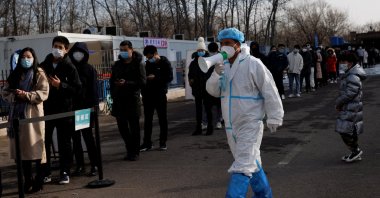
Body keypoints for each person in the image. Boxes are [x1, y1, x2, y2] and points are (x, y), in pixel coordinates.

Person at [206, 27, 284, 198]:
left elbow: (269, 89)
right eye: (222, 43)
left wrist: (275, 115)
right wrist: (215, 75)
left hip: (250, 123)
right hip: (230, 125)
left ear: (237, 45)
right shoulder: (223, 66)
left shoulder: (253, 63)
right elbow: (214, 92)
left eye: (227, 43)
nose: (223, 46)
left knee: (242, 165)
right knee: (251, 163)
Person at [2, 47, 49, 193]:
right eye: (23, 57)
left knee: (37, 150)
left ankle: (39, 180)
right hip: (16, 116)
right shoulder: (15, 73)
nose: (26, 59)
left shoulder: (38, 73)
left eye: (29, 56)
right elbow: (4, 91)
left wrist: (27, 95)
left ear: (34, 58)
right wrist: (14, 95)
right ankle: (27, 180)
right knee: (22, 153)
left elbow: (43, 93)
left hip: (33, 115)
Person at [40, 36, 82, 184]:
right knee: (44, 142)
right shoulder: (44, 65)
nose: (57, 49)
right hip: (47, 110)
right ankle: (45, 171)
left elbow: (77, 89)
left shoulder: (70, 67)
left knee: (64, 142)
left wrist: (61, 85)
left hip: (65, 110)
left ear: (66, 49)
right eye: (55, 46)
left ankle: (65, 171)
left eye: (60, 47)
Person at [110, 40, 146, 161]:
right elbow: (112, 81)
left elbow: (142, 82)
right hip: (119, 99)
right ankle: (129, 148)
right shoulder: (117, 65)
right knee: (122, 127)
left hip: (132, 99)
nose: (123, 52)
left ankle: (134, 151)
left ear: (131, 49)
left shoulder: (138, 64)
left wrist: (127, 83)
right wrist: (114, 90)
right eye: (121, 50)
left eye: (126, 50)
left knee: (134, 127)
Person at [68, 42, 99, 176]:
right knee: (75, 140)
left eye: (81, 52)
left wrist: (94, 106)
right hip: (71, 108)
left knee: (87, 138)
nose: (78, 54)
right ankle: (80, 165)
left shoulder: (89, 69)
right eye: (75, 52)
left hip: (84, 108)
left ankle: (95, 164)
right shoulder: (69, 68)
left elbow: (94, 90)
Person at [140, 45, 173, 152]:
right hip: (148, 96)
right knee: (148, 120)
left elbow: (169, 77)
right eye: (147, 58)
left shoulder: (165, 63)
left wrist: (156, 77)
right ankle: (147, 143)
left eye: (149, 57)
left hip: (160, 95)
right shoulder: (147, 64)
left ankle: (163, 142)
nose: (149, 59)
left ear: (155, 53)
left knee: (162, 119)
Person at [335, 51, 366, 163]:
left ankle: (356, 151)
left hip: (351, 106)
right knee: (350, 130)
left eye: (343, 61)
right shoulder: (350, 73)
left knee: (344, 130)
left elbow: (350, 93)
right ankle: (355, 152)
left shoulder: (352, 75)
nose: (341, 63)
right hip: (350, 106)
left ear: (350, 62)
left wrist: (339, 102)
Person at [188, 37, 213, 135]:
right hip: (197, 89)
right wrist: (191, 80)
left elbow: (211, 74)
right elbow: (190, 74)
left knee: (208, 109)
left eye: (202, 50)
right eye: (199, 50)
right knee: (198, 110)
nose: (200, 52)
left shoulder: (209, 61)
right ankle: (198, 127)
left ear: (205, 51)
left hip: (207, 89)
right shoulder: (193, 63)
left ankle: (209, 127)